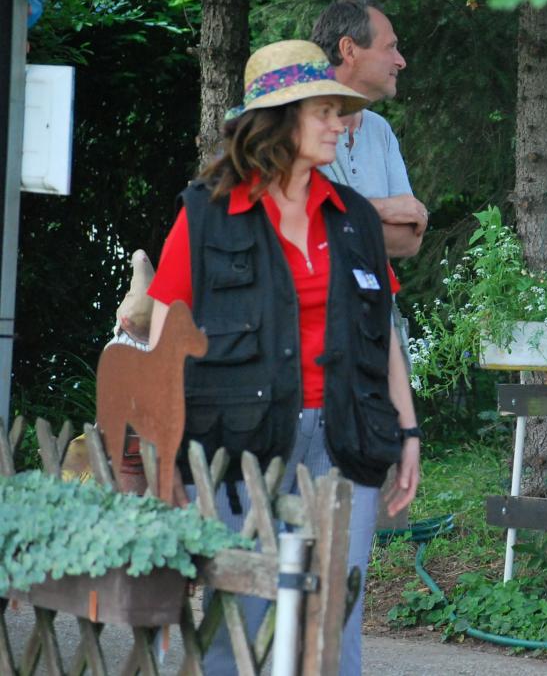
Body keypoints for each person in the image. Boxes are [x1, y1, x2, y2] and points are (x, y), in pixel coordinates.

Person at [147, 39, 422, 675]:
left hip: (346, 437)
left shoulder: (354, 217)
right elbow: (165, 343)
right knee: (237, 623)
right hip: (237, 446)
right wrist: (166, 466)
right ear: (279, 120)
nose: (339, 124)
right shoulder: (207, 215)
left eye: (339, 111)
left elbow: (379, 332)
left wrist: (407, 430)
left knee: (334, 627)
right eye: (323, 111)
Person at [310, 0, 428, 259]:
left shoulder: (379, 129)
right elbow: (295, 221)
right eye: (390, 47)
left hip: (372, 287)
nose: (400, 61)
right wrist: (382, 209)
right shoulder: (295, 126)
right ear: (349, 50)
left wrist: (334, 218)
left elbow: (409, 240)